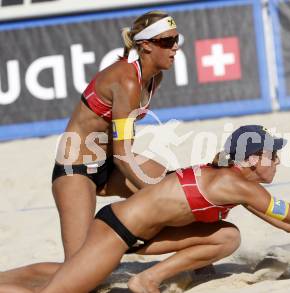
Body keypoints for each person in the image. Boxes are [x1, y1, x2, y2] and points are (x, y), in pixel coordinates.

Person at [1, 125, 290, 293]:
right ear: (249, 160)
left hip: (139, 235)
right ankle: (144, 281)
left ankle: (148, 279)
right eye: (273, 154)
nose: (278, 161)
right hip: (116, 230)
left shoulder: (238, 183)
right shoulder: (234, 184)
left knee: (227, 236)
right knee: (62, 290)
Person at [0, 10, 221, 290]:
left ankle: (200, 263)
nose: (175, 46)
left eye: (176, 39)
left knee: (173, 183)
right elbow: (122, 153)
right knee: (80, 269)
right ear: (146, 46)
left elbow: (122, 145)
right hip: (76, 169)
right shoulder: (127, 80)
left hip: (110, 163)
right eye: (166, 41)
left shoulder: (153, 78)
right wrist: (153, 192)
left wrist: (157, 188)